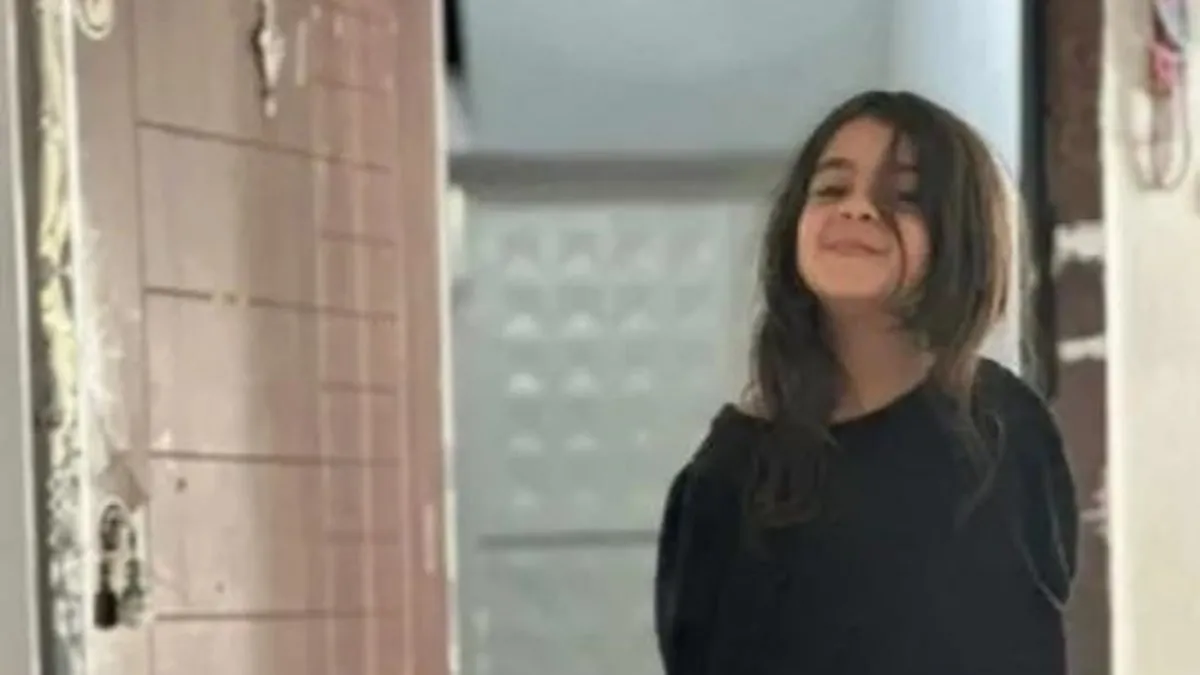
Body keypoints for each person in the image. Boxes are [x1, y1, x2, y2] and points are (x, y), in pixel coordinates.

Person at [653, 91, 1078, 675]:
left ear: (961, 235)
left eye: (903, 197)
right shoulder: (729, 474)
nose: (856, 209)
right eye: (831, 189)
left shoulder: (1005, 426)